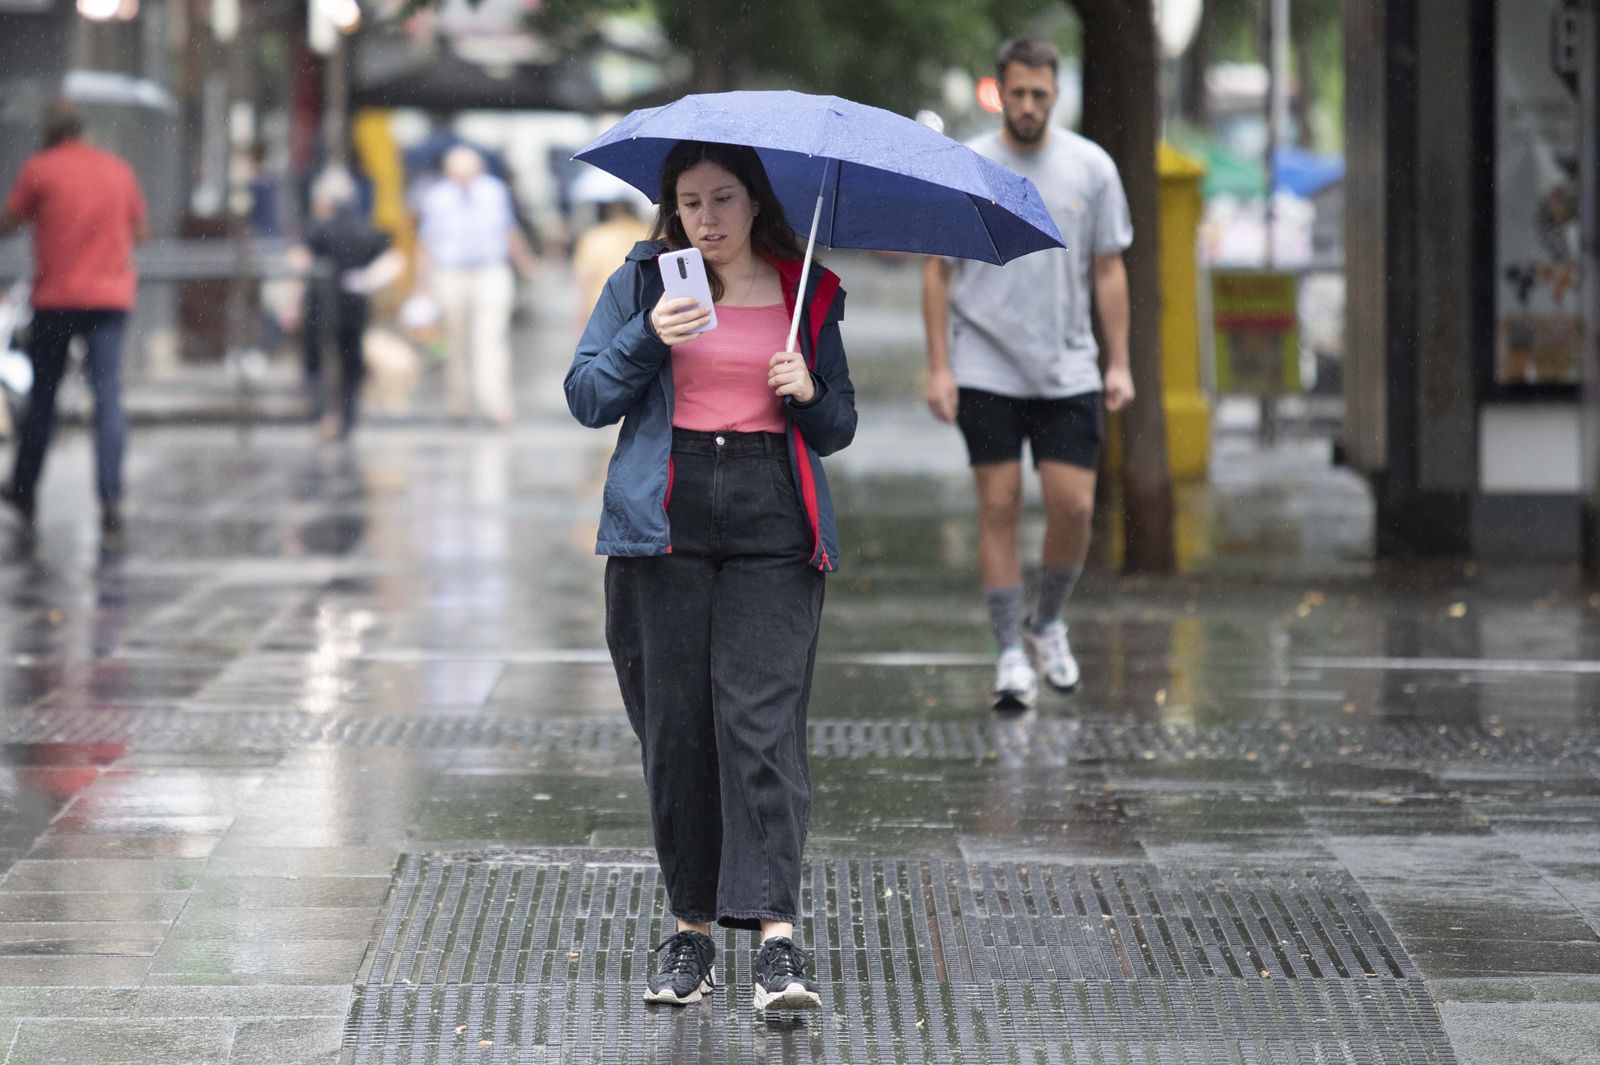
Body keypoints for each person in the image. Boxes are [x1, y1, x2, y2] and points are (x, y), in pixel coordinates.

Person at [565, 141, 855, 1012]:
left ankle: (776, 941)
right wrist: (646, 339)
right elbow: (585, 396)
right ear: (672, 210)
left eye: (724, 199)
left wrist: (807, 388)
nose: (708, 219)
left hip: (772, 512)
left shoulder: (806, 287)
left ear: (756, 202)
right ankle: (690, 931)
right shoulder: (651, 282)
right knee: (679, 727)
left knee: (761, 723)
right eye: (690, 203)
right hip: (666, 516)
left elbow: (838, 423)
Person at [922, 38, 1134, 711]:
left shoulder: (1091, 168)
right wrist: (939, 366)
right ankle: (1009, 651)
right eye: (1016, 93)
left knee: (1074, 506)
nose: (1027, 105)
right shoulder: (972, 166)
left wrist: (1120, 360)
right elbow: (938, 269)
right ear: (999, 90)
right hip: (985, 358)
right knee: (999, 503)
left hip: (1068, 364)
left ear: (1056, 93)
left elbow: (1109, 268)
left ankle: (1046, 622)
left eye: (1039, 94)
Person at [0, 99, 148, 539]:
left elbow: (8, 222)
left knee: (44, 395)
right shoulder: (118, 171)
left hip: (57, 298)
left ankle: (24, 488)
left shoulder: (40, 169)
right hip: (109, 298)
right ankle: (111, 497)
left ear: (50, 131)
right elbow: (140, 230)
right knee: (107, 399)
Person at [414, 146, 537, 427]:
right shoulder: (436, 197)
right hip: (450, 273)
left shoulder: (494, 192)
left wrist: (525, 263)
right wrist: (421, 286)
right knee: (455, 341)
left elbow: (509, 230)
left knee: (491, 339)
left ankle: (497, 404)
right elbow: (427, 243)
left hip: (490, 271)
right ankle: (459, 401)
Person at [294, 167, 396, 439]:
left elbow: (300, 261)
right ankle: (348, 419)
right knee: (351, 364)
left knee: (319, 362)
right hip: (354, 305)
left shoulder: (318, 229)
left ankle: (324, 415)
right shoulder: (367, 230)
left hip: (320, 306)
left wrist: (292, 300)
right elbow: (390, 262)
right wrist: (364, 282)